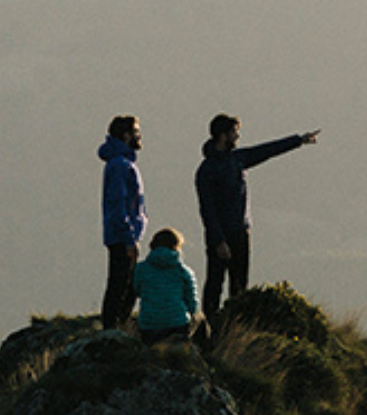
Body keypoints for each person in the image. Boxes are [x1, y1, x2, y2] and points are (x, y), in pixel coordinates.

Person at [195, 113, 320, 318]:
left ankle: (235, 324)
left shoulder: (236, 159)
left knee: (239, 283)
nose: (238, 136)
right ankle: (208, 326)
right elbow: (207, 210)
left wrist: (299, 140)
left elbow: (266, 151)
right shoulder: (207, 170)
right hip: (221, 235)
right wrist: (219, 241)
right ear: (223, 135)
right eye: (234, 132)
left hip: (241, 232)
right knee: (215, 282)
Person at [97, 114, 147, 329]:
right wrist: (129, 238)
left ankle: (116, 326)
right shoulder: (120, 165)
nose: (139, 135)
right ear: (126, 135)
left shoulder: (120, 163)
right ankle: (112, 328)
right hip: (122, 236)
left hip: (121, 234)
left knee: (123, 283)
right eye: (136, 131)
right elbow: (119, 204)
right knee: (121, 284)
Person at [130, 228, 201, 345]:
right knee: (200, 320)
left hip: (149, 326)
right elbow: (192, 303)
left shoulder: (140, 269)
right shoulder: (183, 271)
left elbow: (137, 291)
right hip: (177, 325)